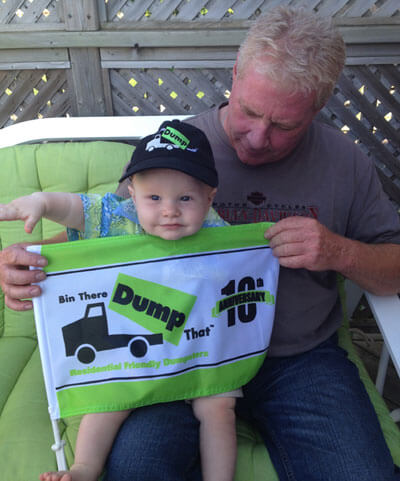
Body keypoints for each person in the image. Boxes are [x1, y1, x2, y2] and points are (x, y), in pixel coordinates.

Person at [1, 6, 400, 481]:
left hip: (298, 362)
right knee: (137, 469)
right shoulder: (174, 151)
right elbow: (110, 237)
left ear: (319, 106)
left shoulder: (344, 163)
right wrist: (26, 266)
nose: (256, 137)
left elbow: (393, 269)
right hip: (174, 352)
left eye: (284, 126)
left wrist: (338, 251)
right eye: (249, 111)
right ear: (235, 72)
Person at [0, 120, 241, 481]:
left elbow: (241, 281)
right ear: (132, 193)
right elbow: (72, 208)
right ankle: (84, 469)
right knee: (109, 398)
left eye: (186, 198)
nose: (169, 211)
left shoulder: (219, 235)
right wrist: (40, 202)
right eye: (154, 198)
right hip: (133, 348)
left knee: (220, 408)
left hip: (199, 347)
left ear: (210, 198)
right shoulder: (118, 218)